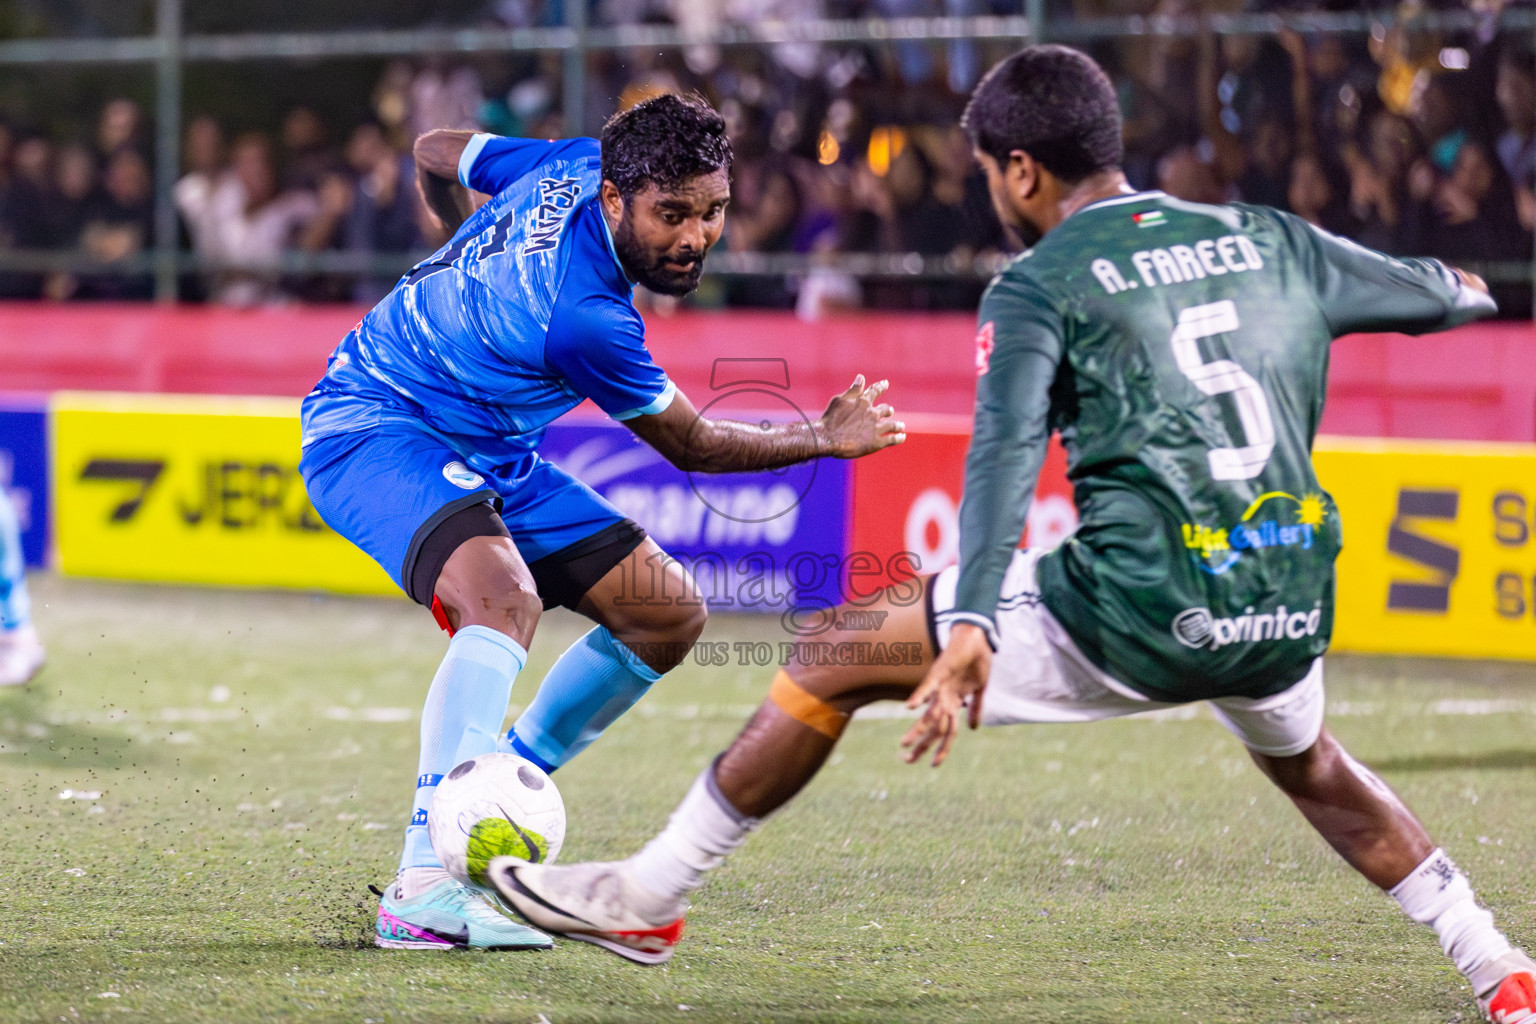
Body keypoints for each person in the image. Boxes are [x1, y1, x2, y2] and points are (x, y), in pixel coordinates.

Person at [488, 47, 1536, 1023]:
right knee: (1311, 765)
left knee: (830, 653)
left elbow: (1000, 462)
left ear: (1022, 171)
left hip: (1138, 599)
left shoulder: (1040, 282)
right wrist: (1451, 290)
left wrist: (973, 621)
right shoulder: (1268, 237)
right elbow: (1450, 295)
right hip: (1288, 591)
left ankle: (649, 895)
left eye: (992, 172)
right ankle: (1496, 962)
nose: (993, 193)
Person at [297, 93, 904, 952]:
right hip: (373, 425)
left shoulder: (576, 160)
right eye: (672, 215)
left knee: (666, 613)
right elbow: (692, 444)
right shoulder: (586, 317)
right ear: (616, 200)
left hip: (492, 449)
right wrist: (823, 436)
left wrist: (456, 250)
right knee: (503, 600)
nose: (694, 236)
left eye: (713, 211)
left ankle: (488, 799)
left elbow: (437, 150)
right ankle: (423, 890)